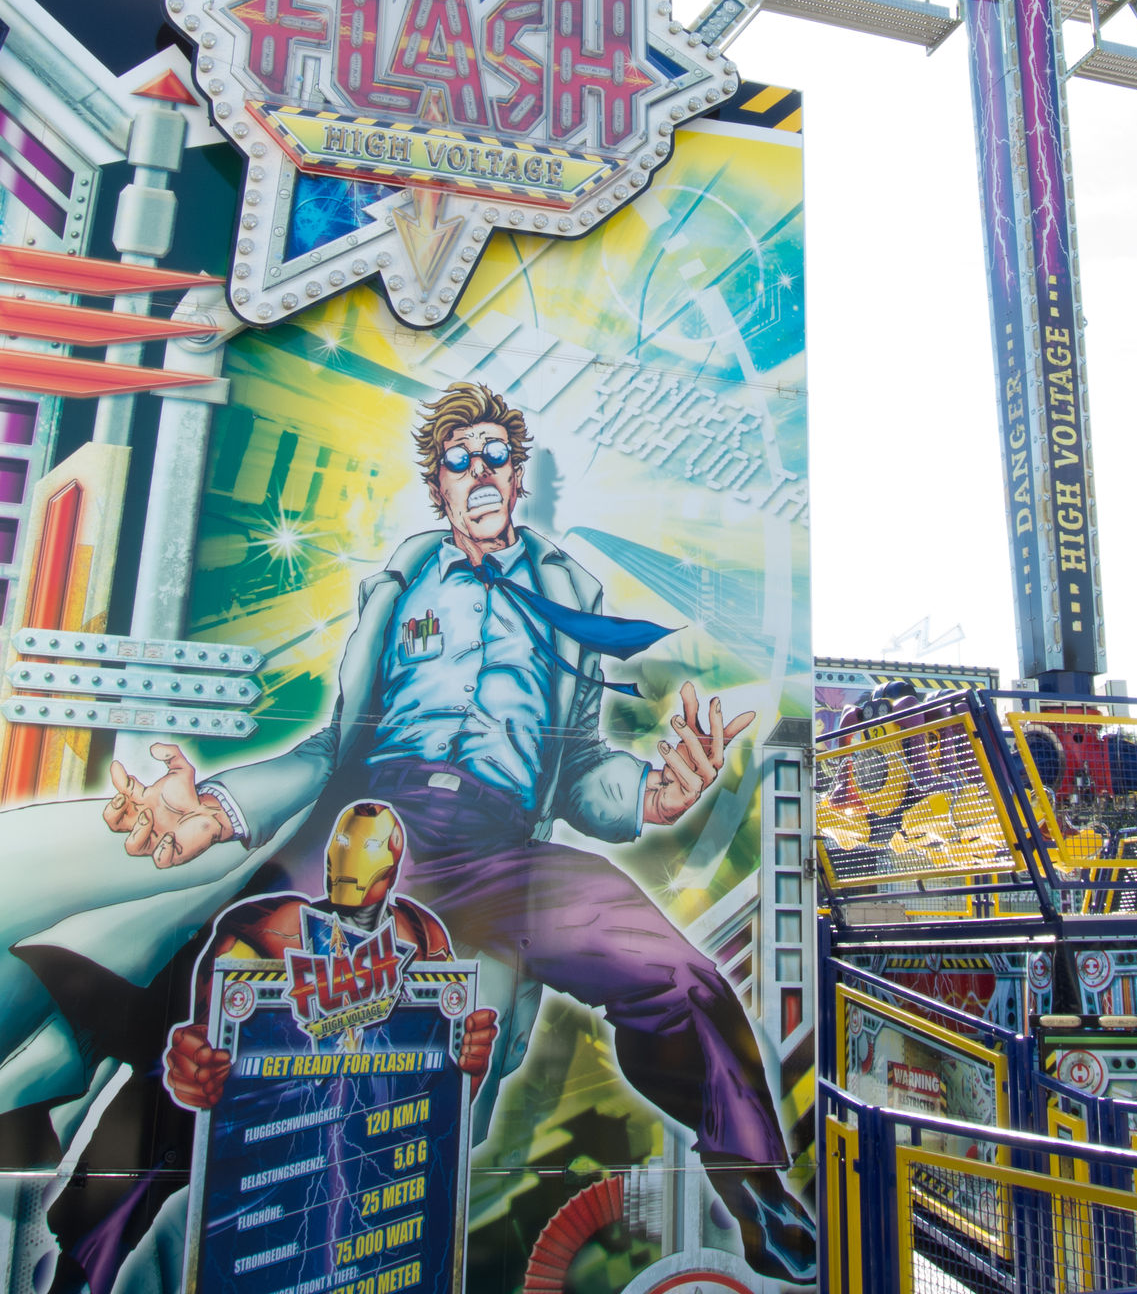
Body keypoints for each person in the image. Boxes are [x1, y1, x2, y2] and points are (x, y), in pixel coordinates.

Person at [104, 381, 814, 1283]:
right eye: (459, 459)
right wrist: (220, 806)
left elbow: (582, 767)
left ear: (518, 477)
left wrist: (654, 796)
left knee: (675, 973)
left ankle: (756, 1192)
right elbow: (331, 743)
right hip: (372, 823)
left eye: (495, 457)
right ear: (438, 484)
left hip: (499, 848)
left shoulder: (569, 593)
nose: (479, 471)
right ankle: (92, 1237)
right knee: (206, 995)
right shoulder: (404, 581)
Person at [164, 799, 496, 1109]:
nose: (351, 856)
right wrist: (197, 1063)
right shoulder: (272, 928)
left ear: (393, 861)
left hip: (380, 1125)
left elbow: (444, 1086)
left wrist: (468, 1066)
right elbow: (210, 1036)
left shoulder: (422, 933)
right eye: (344, 842)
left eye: (369, 845)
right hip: (290, 1119)